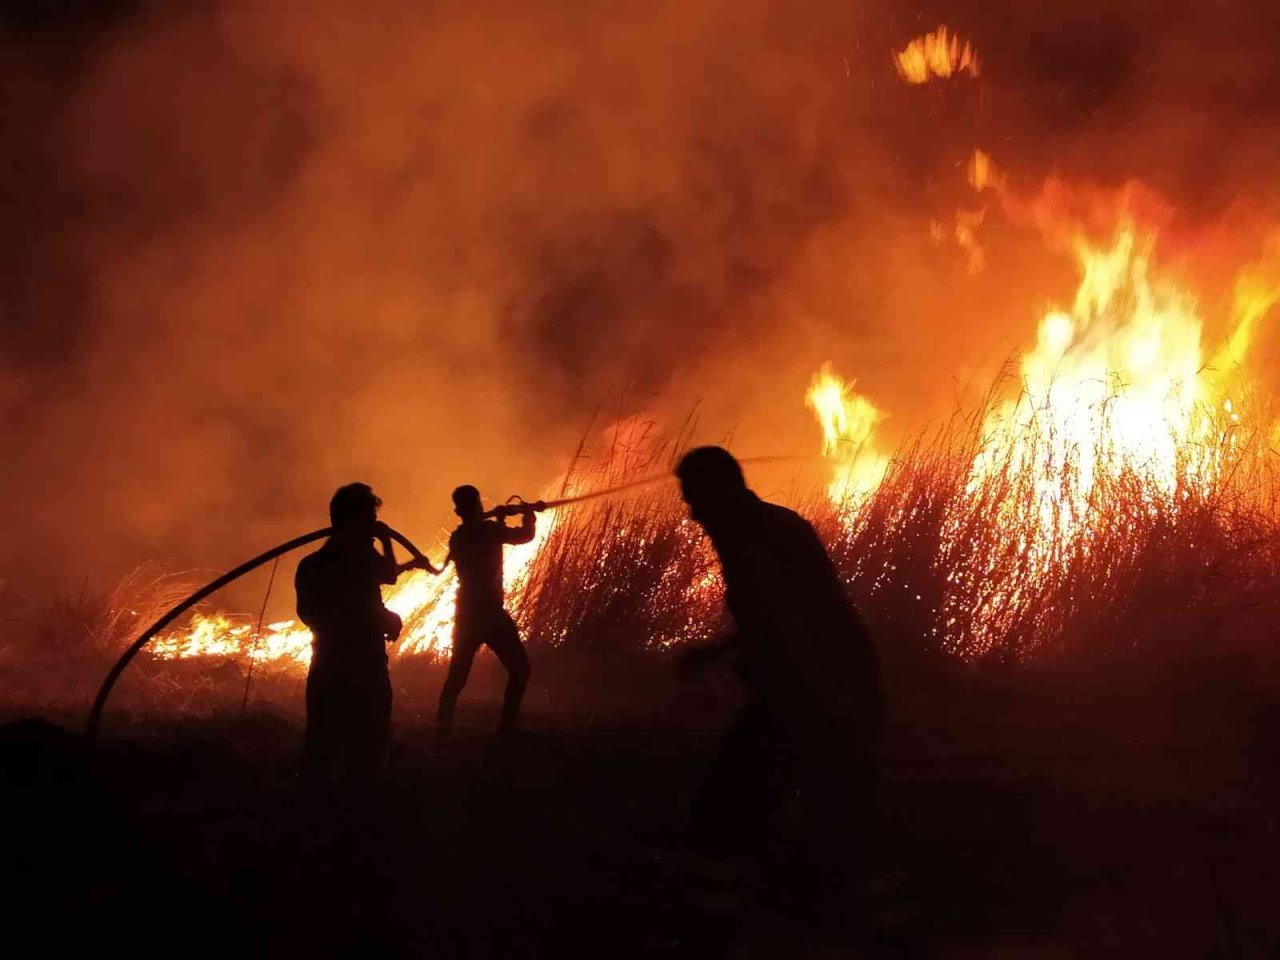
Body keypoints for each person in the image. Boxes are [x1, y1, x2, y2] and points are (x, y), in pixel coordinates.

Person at [674, 446, 884, 872]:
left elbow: (782, 621)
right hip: (823, 688)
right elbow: (776, 616)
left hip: (816, 693)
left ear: (720, 493)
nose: (693, 517)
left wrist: (728, 659)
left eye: (695, 501)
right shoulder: (770, 525)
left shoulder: (753, 540)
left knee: (728, 811)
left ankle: (717, 918)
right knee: (827, 816)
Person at [295, 483, 426, 784]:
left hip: (326, 667)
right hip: (362, 669)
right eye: (369, 517)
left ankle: (319, 811)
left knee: (322, 746)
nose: (374, 524)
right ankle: (356, 813)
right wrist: (380, 618)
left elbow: (310, 615)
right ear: (352, 520)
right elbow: (384, 580)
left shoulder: (312, 564)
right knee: (366, 748)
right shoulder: (358, 559)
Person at [437, 485, 539, 735]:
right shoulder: (489, 530)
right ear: (478, 505)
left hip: (468, 614)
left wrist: (501, 518)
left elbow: (481, 536)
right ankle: (506, 727)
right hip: (490, 614)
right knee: (520, 670)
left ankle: (442, 727)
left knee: (457, 677)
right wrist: (528, 515)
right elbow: (524, 536)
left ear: (458, 510)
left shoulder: (457, 537)